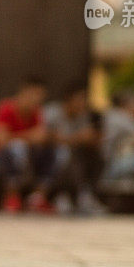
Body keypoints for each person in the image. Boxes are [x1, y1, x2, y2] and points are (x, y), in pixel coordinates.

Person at [0, 76, 57, 214]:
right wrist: (28, 136)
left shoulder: (36, 113)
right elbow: (0, 141)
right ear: (24, 92)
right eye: (34, 94)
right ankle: (11, 197)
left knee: (50, 150)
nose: (37, 99)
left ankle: (38, 198)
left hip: (25, 162)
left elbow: (40, 137)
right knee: (17, 147)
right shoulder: (6, 109)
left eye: (40, 96)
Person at [43, 83, 107, 215]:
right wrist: (77, 138)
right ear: (69, 99)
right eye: (79, 99)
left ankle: (85, 194)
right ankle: (60, 195)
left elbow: (89, 139)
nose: (82, 104)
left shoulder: (83, 117)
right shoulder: (52, 112)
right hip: (49, 157)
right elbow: (47, 137)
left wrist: (93, 139)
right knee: (64, 153)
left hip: (75, 158)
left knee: (96, 155)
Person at [101, 88, 134, 182]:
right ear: (127, 104)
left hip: (111, 162)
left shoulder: (114, 114)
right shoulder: (120, 116)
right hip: (109, 165)